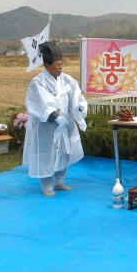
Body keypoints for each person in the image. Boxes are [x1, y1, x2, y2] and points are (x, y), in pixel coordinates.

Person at [23, 42, 87, 196]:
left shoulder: (67, 80)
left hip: (65, 124)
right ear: (46, 65)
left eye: (61, 64)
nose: (60, 68)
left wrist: (80, 107)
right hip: (47, 127)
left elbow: (76, 96)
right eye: (56, 65)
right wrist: (55, 116)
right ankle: (46, 185)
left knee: (64, 151)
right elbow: (41, 103)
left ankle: (59, 182)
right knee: (47, 153)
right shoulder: (38, 82)